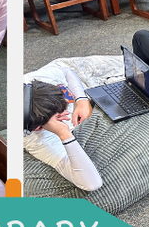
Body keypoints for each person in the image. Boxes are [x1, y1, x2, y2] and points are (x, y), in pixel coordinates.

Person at [22, 63, 101, 191]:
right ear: (39, 128)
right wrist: (64, 134)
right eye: (61, 115)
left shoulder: (32, 83)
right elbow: (92, 184)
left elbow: (66, 72)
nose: (68, 111)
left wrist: (81, 99)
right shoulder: (39, 142)